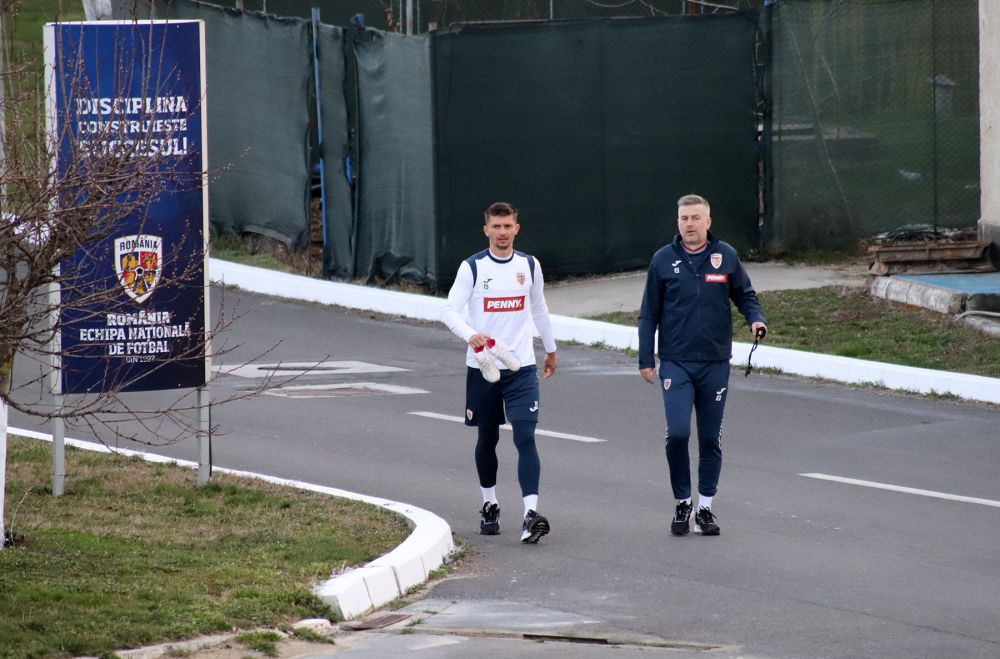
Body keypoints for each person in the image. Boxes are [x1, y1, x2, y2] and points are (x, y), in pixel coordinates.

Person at [638, 194, 767, 537]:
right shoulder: (663, 260)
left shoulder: (725, 256)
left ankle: (705, 509)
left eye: (696, 218)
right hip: (676, 363)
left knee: (710, 439)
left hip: (715, 363)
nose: (690, 224)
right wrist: (645, 358)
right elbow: (649, 312)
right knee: (678, 435)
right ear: (677, 222)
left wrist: (756, 319)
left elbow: (745, 295)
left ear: (708, 222)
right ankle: (683, 502)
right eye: (684, 219)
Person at [442, 201, 558, 544]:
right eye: (497, 226)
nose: (503, 232)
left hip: (520, 366)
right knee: (487, 438)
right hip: (483, 366)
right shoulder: (472, 268)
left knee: (525, 436)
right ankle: (490, 504)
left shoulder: (529, 266)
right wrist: (471, 335)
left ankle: (530, 514)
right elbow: (449, 310)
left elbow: (539, 309)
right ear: (487, 230)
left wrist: (550, 349)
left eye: (508, 226)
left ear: (516, 229)